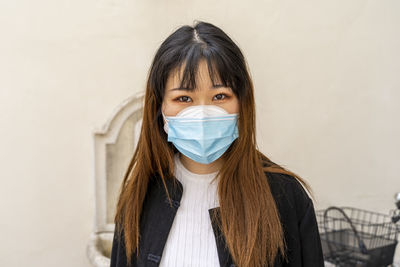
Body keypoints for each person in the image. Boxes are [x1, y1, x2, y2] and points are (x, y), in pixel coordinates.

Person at [110, 20, 324, 267]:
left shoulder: (284, 197)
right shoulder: (140, 197)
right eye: (184, 98)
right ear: (160, 107)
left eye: (220, 96)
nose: (202, 114)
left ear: (242, 102)